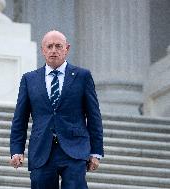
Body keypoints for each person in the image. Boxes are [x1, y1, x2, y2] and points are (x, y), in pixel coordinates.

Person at [10, 30, 104, 189]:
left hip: (74, 149)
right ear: (42, 50)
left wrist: (96, 152)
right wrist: (16, 150)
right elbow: (20, 117)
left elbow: (94, 116)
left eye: (58, 46)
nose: (54, 50)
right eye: (50, 46)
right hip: (41, 151)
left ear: (66, 49)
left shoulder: (82, 76)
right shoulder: (29, 79)